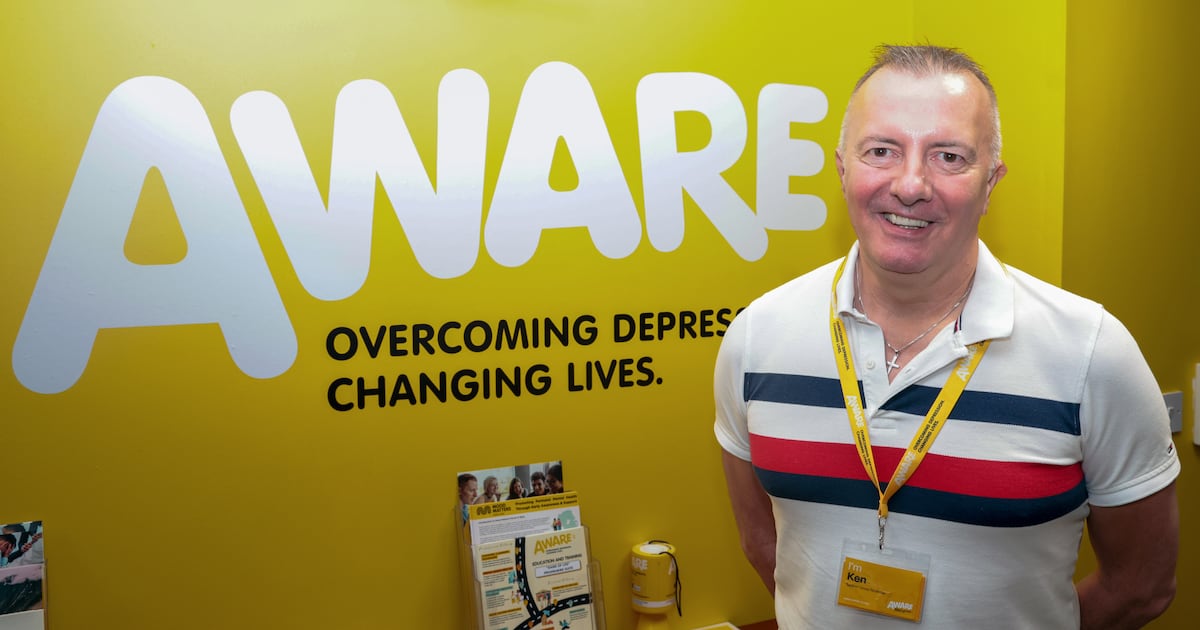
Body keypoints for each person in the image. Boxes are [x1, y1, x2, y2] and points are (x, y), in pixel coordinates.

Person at [714, 44, 1179, 629]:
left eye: (949, 157)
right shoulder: (756, 337)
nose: (911, 184)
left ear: (991, 182)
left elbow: (1142, 586)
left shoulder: (1092, 354)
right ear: (842, 168)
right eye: (881, 151)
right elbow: (766, 547)